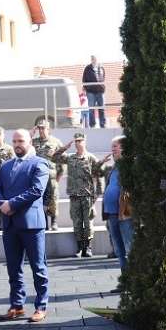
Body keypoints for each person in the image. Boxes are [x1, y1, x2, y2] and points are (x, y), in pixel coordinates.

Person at [0, 129, 51, 323]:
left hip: (31, 224)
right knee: (13, 268)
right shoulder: (5, 166)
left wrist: (11, 204)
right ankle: (17, 305)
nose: (17, 144)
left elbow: (36, 190)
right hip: (10, 224)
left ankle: (41, 307)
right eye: (15, 141)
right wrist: (2, 204)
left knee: (38, 267)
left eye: (21, 141)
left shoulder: (39, 163)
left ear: (29, 142)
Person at [53, 132, 104, 257]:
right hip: (74, 196)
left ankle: (88, 247)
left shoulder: (91, 158)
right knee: (77, 222)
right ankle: (80, 247)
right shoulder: (70, 158)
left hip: (87, 196)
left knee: (88, 222)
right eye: (76, 141)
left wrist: (98, 193)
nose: (78, 143)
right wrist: (64, 148)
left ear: (85, 142)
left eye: (80, 141)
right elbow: (54, 157)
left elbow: (99, 175)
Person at [103, 136, 132, 273]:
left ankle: (133, 276)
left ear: (124, 148)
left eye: (115, 146)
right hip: (111, 213)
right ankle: (125, 276)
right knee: (118, 247)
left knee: (129, 245)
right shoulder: (114, 167)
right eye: (112, 147)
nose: (113, 149)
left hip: (125, 213)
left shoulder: (129, 166)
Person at [32, 119, 65, 230]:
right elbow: (25, 148)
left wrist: (59, 175)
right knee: (40, 199)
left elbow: (62, 160)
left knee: (53, 198)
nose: (41, 130)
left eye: (43, 128)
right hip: (38, 177)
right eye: (39, 128)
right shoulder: (34, 142)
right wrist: (31, 134)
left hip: (51, 176)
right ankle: (44, 222)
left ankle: (54, 221)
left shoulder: (55, 142)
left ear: (48, 129)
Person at [82, 55, 106, 128]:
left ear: (97, 59)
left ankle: (102, 124)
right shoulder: (87, 68)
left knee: (101, 108)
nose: (93, 60)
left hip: (100, 91)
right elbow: (84, 79)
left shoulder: (101, 68)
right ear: (91, 60)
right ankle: (92, 125)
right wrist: (86, 88)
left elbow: (103, 77)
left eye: (95, 59)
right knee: (91, 109)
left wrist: (102, 86)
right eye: (92, 59)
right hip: (90, 92)